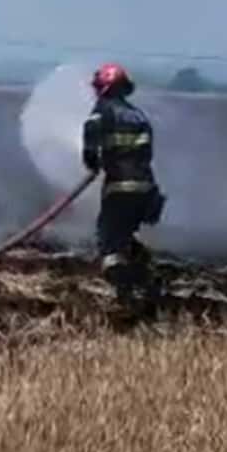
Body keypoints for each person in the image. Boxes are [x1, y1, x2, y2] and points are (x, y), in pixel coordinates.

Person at [81, 63, 166, 303]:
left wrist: (92, 161)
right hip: (146, 189)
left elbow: (91, 134)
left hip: (120, 188)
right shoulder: (139, 115)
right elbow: (146, 153)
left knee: (109, 242)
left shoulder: (103, 110)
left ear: (104, 88)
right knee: (125, 236)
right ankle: (149, 279)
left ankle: (125, 296)